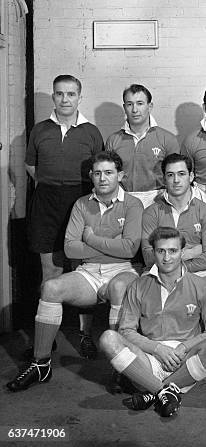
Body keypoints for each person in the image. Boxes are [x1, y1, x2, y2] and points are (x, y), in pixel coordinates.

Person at [7, 151, 142, 392]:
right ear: (91, 176)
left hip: (122, 271)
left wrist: (90, 239)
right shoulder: (81, 204)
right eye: (98, 173)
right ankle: (41, 363)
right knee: (51, 287)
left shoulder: (133, 204)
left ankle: (121, 369)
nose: (103, 178)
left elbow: (129, 248)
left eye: (109, 173)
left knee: (121, 287)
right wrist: (109, 245)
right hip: (89, 273)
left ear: (120, 175)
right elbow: (70, 249)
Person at [99, 227, 206, 418]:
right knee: (108, 338)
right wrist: (157, 348)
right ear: (153, 252)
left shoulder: (202, 286)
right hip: (148, 361)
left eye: (173, 251)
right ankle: (163, 392)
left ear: (182, 252)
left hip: (184, 362)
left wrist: (184, 347)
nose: (167, 257)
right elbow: (126, 330)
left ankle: (153, 394)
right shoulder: (138, 285)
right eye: (161, 251)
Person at [25, 74, 104, 359]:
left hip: (80, 201)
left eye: (71, 94)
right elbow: (31, 167)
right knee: (51, 271)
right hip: (46, 203)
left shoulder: (91, 131)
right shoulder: (39, 130)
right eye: (59, 94)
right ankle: (48, 338)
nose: (65, 99)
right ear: (53, 97)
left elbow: (101, 170)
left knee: (85, 272)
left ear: (79, 97)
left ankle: (85, 335)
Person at [141, 153, 206, 279]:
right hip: (158, 271)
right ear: (164, 179)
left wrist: (164, 254)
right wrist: (192, 252)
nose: (176, 180)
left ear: (191, 176)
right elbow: (148, 257)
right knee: (144, 289)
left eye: (181, 174)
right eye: (170, 175)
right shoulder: (151, 212)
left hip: (198, 271)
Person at [105, 84, 179, 208]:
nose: (135, 110)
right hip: (123, 200)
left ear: (150, 106)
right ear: (124, 107)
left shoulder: (167, 139)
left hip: (158, 200)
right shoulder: (113, 140)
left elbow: (176, 176)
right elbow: (109, 176)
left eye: (140, 103)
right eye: (129, 104)